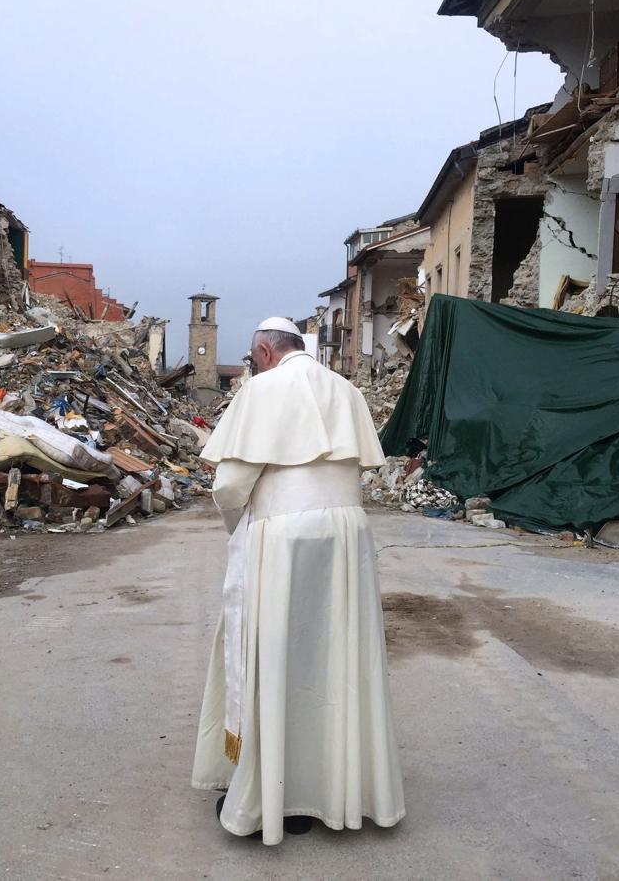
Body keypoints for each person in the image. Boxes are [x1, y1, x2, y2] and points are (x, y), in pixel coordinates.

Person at [191, 316, 405, 845]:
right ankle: (332, 791)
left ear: (264, 352)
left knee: (276, 658)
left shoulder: (261, 389)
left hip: (283, 535)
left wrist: (238, 529)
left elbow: (231, 485)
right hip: (347, 534)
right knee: (335, 661)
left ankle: (273, 795)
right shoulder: (346, 389)